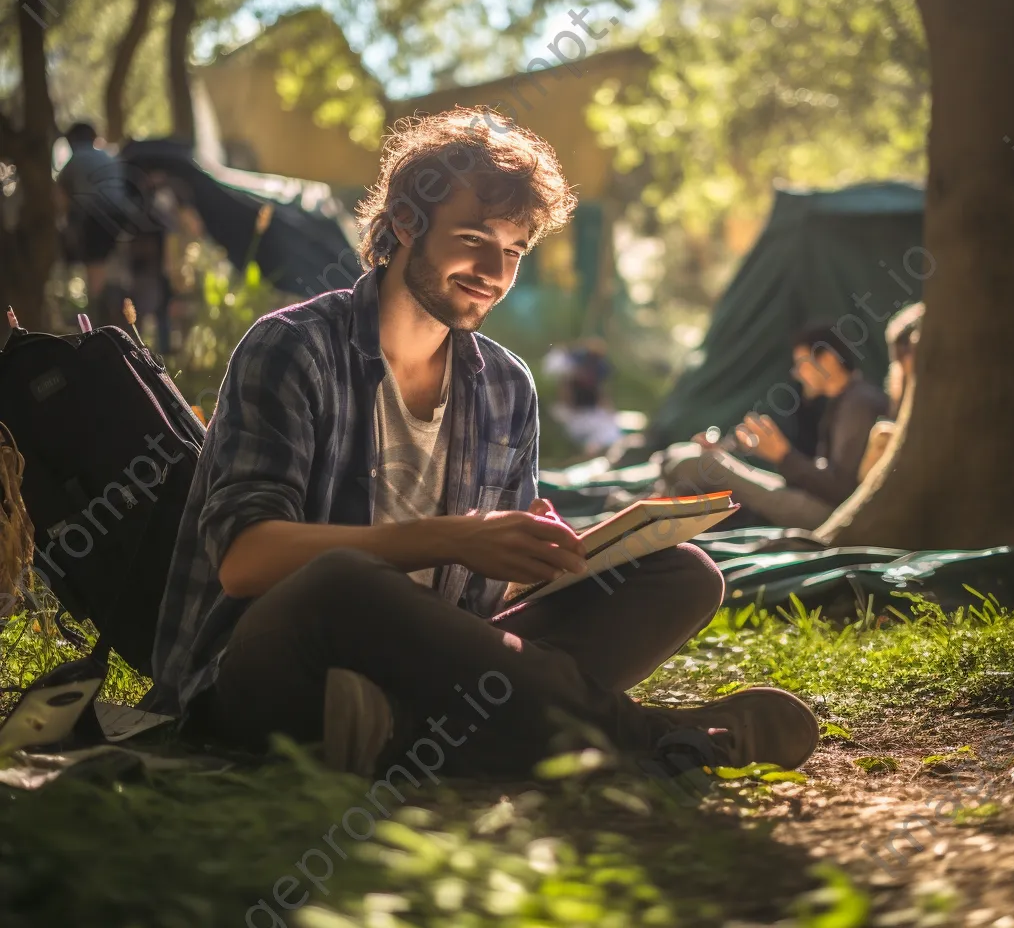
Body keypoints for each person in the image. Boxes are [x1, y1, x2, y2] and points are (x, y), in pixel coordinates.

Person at [147, 108, 818, 780]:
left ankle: (405, 735)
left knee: (684, 575)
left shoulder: (505, 385)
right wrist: (455, 536)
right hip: (278, 666)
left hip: (433, 661)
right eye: (473, 238)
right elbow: (245, 560)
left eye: (515, 251)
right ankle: (646, 738)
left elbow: (480, 600)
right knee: (344, 581)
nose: (494, 271)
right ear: (407, 223)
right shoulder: (293, 348)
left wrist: (540, 553)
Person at [664, 325, 891, 529]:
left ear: (829, 359)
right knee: (699, 459)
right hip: (817, 500)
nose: (798, 374)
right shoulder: (846, 401)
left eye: (802, 364)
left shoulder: (859, 403)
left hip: (830, 514)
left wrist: (783, 455)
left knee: (696, 463)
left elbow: (842, 489)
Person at [55, 123, 131, 323]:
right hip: (120, 218)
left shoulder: (73, 162)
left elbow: (61, 200)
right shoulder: (109, 158)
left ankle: (99, 321)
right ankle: (118, 316)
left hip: (93, 220)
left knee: (95, 274)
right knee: (114, 273)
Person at [857, 302, 925, 483]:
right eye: (902, 354)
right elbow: (865, 478)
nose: (907, 362)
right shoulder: (900, 393)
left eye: (911, 350)